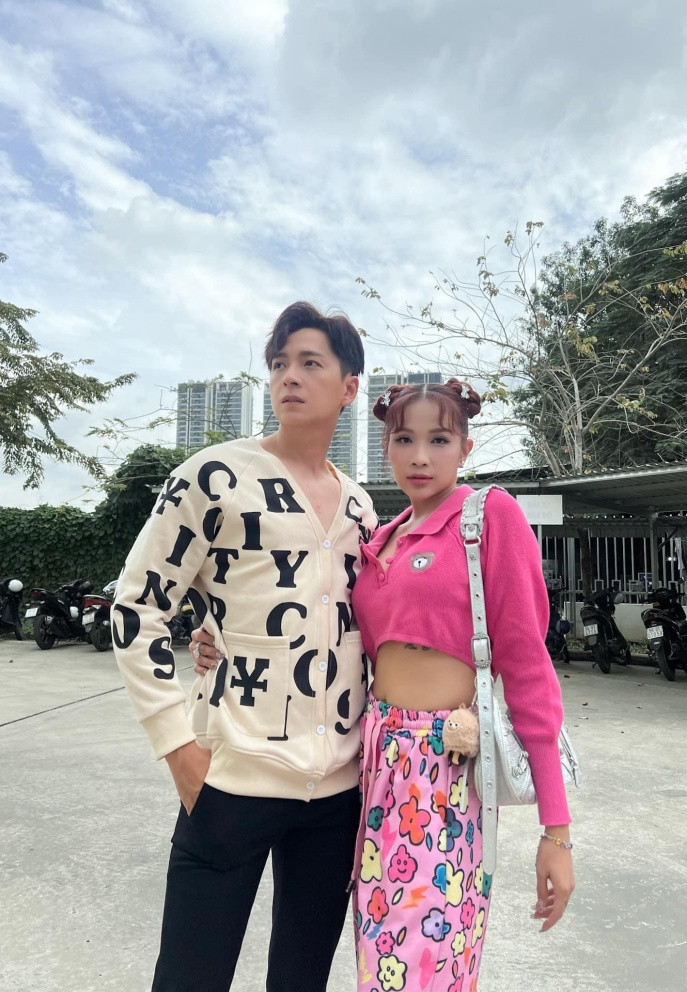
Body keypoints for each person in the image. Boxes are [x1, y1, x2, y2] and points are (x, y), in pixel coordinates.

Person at [193, 378, 576, 992]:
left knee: (427, 960)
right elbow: (319, 623)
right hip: (373, 766)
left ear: (466, 448)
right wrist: (219, 637)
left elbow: (530, 671)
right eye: (403, 439)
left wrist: (556, 831)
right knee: (382, 957)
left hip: (445, 770)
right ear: (386, 447)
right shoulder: (379, 537)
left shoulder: (488, 516)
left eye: (439, 439)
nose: (420, 456)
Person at [112, 301, 377, 992]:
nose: (289, 376)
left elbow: (362, 628)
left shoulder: (360, 506)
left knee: (301, 979)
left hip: (339, 791)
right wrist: (177, 745)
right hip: (231, 777)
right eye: (279, 363)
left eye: (310, 363)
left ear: (349, 388)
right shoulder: (213, 476)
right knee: (190, 977)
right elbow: (137, 607)